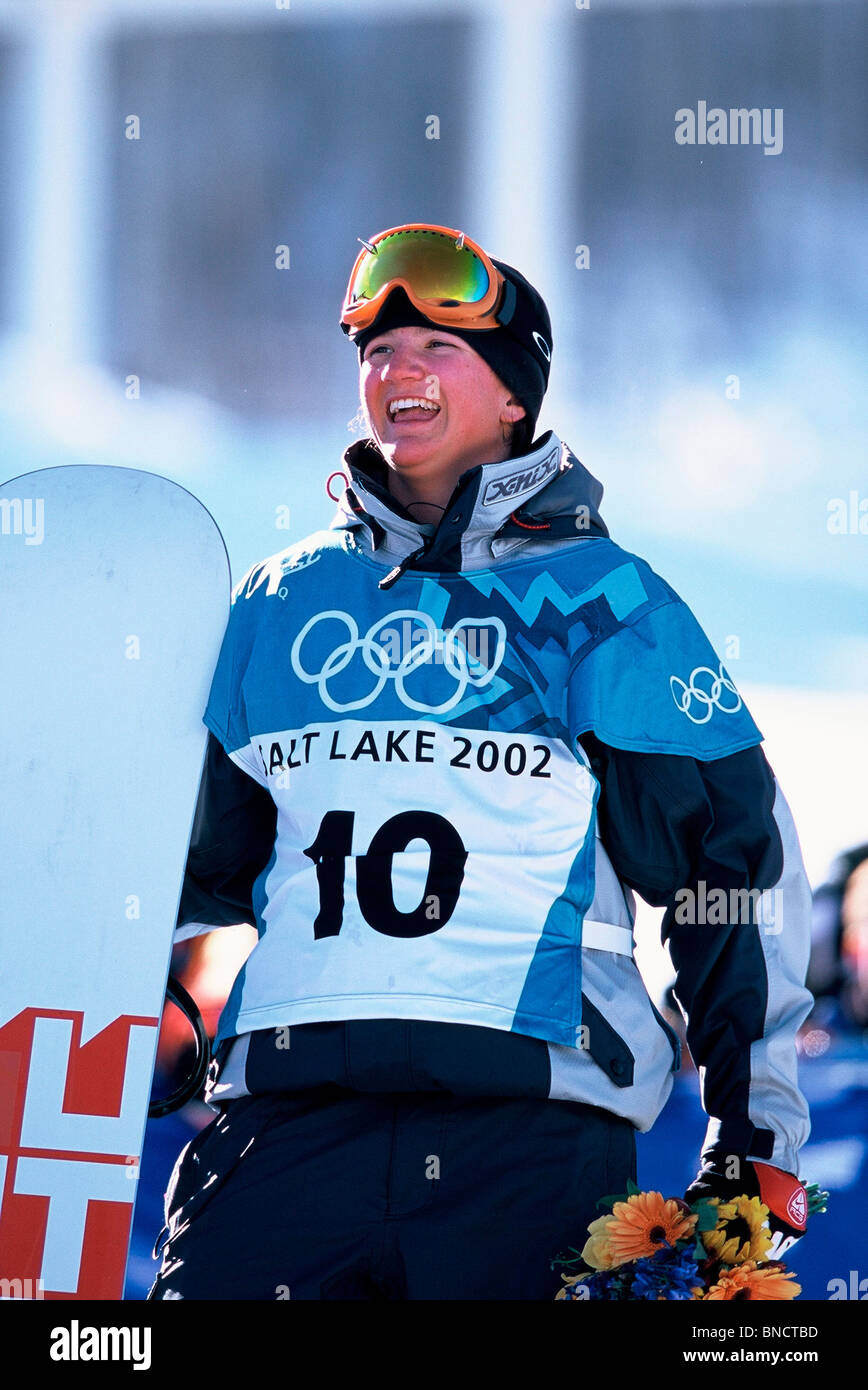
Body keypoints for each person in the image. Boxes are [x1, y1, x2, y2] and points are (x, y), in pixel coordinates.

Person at [150, 222, 813, 1300]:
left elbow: (728, 880)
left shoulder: (611, 607)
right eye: (374, 352)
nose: (393, 372)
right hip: (284, 1132)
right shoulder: (276, 604)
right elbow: (179, 866)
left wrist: (757, 1144)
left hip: (530, 1148)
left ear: (514, 395)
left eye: (433, 350)